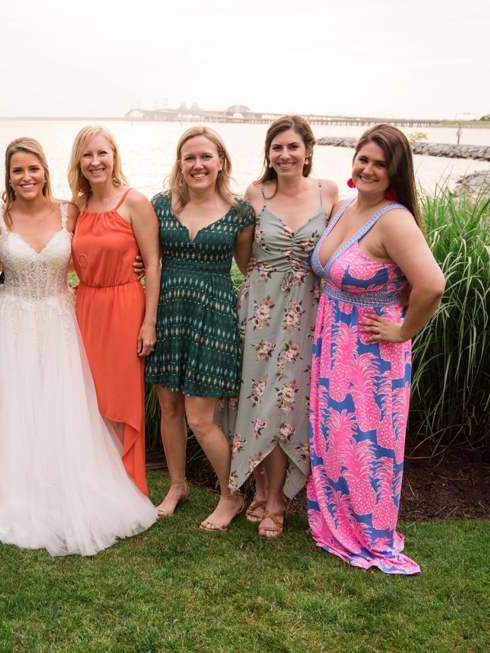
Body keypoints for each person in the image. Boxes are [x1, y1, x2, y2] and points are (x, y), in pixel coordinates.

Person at [0, 138, 157, 556]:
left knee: (61, 404)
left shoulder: (68, 210)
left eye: (33, 168)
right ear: (8, 176)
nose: (26, 177)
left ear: (45, 171)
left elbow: (90, 252)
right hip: (14, 320)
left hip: (60, 319)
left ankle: (67, 484)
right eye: (18, 170)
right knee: (14, 407)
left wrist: (134, 262)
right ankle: (12, 491)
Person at [307, 124, 444, 574]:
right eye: (363, 158)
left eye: (380, 164)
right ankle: (334, 521)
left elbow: (432, 285)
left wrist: (404, 332)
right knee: (335, 440)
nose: (367, 168)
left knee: (365, 445)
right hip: (333, 342)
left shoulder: (394, 219)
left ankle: (368, 532)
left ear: (394, 173)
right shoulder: (347, 206)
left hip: (370, 353)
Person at [216, 116, 338, 538]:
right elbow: (243, 255)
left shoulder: (329, 192)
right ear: (268, 153)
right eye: (276, 148)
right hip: (261, 310)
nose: (284, 155)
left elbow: (337, 250)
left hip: (307, 310)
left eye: (292, 147)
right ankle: (262, 487)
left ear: (308, 150)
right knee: (256, 398)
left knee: (291, 402)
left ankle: (278, 499)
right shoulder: (255, 193)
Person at [147, 126, 255, 530]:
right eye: (189, 157)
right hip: (168, 315)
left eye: (206, 157)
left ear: (220, 161)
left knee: (200, 418)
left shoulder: (240, 211)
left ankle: (231, 495)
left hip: (213, 319)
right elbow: (147, 258)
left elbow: (247, 268)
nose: (197, 165)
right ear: (180, 163)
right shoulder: (160, 206)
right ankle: (178, 486)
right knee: (170, 409)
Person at [68, 125, 160, 496]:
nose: (95, 162)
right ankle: (96, 478)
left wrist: (148, 323)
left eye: (102, 153)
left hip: (124, 307)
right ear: (79, 161)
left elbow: (152, 264)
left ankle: (126, 481)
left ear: (114, 156)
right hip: (85, 306)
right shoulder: (77, 207)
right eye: (87, 155)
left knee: (119, 395)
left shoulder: (134, 201)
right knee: (89, 394)